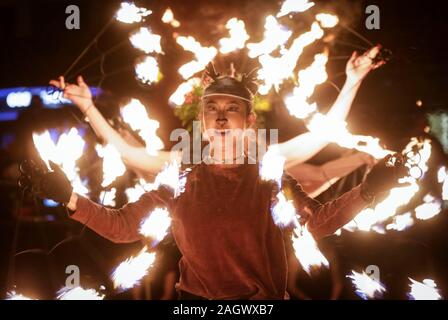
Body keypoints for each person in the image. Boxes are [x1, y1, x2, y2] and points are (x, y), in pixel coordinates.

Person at [25, 61, 407, 300]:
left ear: (249, 121)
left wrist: (370, 189)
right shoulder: (179, 177)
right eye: (212, 109)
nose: (221, 118)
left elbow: (318, 220)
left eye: (232, 109)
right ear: (202, 121)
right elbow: (123, 227)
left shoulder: (269, 179)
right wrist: (70, 197)